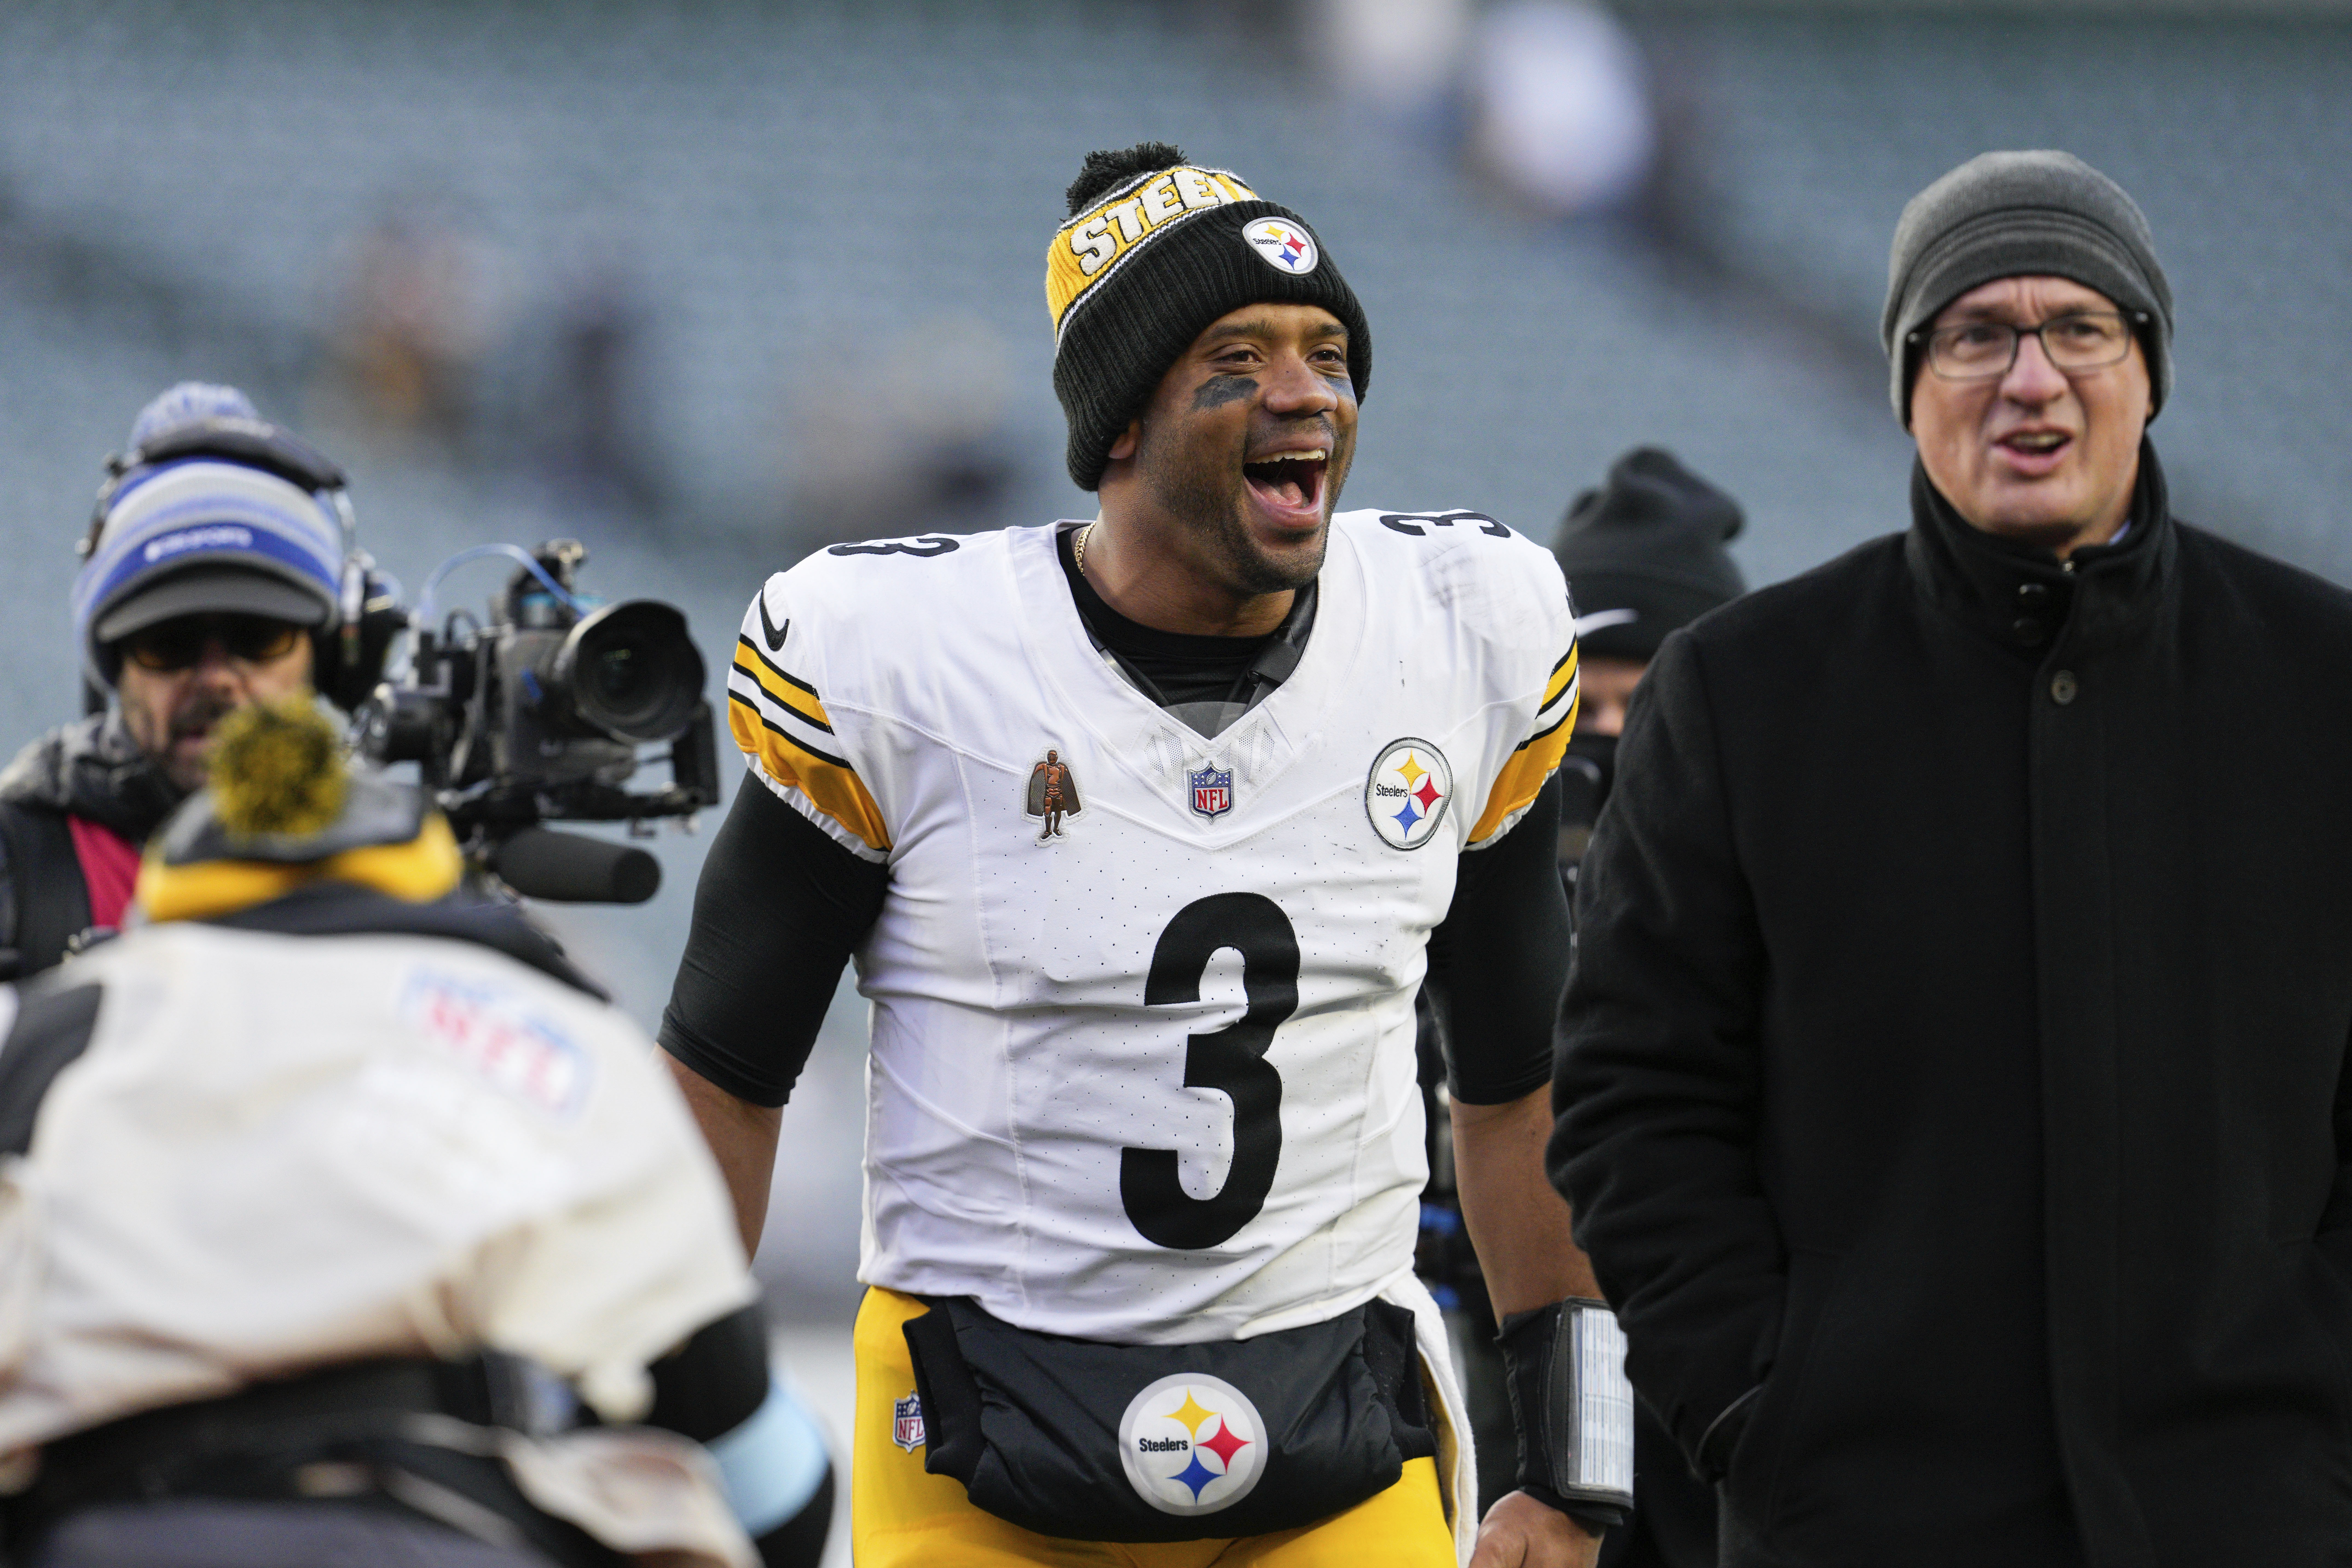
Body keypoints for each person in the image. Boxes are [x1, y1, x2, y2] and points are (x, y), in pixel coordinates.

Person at [660, 143, 1625, 1567]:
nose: (1306, 392)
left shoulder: (1457, 631)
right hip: (985, 1431)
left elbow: (1515, 1087)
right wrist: (658, 1427)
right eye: (1236, 357)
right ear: (1119, 423)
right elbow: (724, 1082)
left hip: (1334, 1419)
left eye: (1328, 352)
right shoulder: (912, 664)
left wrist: (1570, 1470)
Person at [1552, 148, 2352, 1566]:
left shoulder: (2321, 680)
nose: (2029, 378)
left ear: (2148, 371)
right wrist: (1751, 1402)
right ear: (1910, 385)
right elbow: (1635, 1096)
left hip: (2249, 1512)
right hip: (1860, 1521)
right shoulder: (1744, 692)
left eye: (2079, 330)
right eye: (1976, 333)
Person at [0, 699, 838, 1567]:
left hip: (119, 1530)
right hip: (446, 1528)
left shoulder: (57, 1032)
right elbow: (775, 1492)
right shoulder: (573, 1042)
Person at [1416, 446, 1743, 1566]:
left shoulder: (1793, 913)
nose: (1606, 738)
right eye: (1582, 698)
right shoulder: (1433, 900)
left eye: (1643, 696)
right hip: (1494, 1397)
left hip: (1718, 1413)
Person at [0, 383, 390, 981]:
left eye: (258, 637)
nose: (215, 680)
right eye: (169, 644)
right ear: (113, 668)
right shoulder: (18, 863)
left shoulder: (402, 869)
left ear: (332, 655)